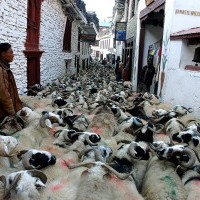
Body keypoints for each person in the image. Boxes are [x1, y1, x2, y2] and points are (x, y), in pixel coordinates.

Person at [0, 43, 23, 122]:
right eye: (11, 52)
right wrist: (12, 113)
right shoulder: (1, 70)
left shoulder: (5, 68)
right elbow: (4, 94)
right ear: (3, 54)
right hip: (3, 114)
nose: (13, 55)